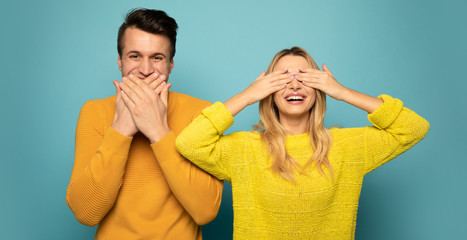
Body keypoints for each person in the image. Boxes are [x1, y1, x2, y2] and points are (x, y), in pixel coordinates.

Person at [175, 47, 430, 239]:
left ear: (319, 88)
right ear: (269, 91)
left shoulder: (347, 146)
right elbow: (190, 142)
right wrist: (247, 96)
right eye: (283, 78)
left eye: (305, 77)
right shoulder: (244, 149)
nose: (294, 84)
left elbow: (413, 127)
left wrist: (342, 92)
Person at [66, 8, 223, 239]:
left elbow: (205, 211)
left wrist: (157, 130)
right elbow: (85, 213)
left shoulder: (200, 112)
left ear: (170, 65)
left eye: (157, 58)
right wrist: (121, 129)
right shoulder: (95, 111)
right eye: (135, 56)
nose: (146, 70)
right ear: (120, 61)